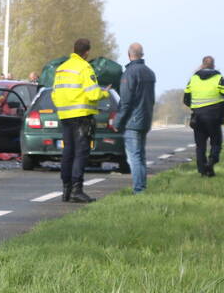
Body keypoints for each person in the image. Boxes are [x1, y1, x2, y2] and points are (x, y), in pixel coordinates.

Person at [51, 38, 108, 203]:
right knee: (81, 153)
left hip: (65, 116)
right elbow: (93, 94)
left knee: (68, 152)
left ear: (74, 49)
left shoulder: (61, 69)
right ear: (87, 52)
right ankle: (77, 189)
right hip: (81, 116)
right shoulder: (85, 67)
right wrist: (104, 92)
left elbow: (54, 93)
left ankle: (66, 189)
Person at [115, 42, 156, 193]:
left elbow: (126, 101)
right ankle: (142, 188)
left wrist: (118, 121)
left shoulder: (129, 73)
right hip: (145, 119)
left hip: (132, 121)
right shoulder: (150, 72)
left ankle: (139, 189)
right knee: (141, 156)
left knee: (134, 157)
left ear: (129, 54)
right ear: (142, 54)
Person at [184, 55, 224, 177]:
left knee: (200, 145)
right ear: (213, 65)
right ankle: (211, 163)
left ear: (202, 65)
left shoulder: (193, 79)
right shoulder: (218, 78)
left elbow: (186, 99)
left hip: (198, 117)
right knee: (216, 143)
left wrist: (195, 107)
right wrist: (222, 108)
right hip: (214, 117)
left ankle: (202, 171)